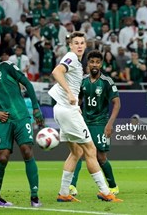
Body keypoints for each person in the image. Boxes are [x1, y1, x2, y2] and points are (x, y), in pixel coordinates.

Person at [48, 31, 122, 202]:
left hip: (62, 109)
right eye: (76, 43)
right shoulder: (72, 57)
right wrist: (70, 94)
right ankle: (105, 191)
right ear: (70, 45)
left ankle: (64, 193)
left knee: (76, 152)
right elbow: (56, 72)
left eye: (82, 43)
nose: (80, 45)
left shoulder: (77, 62)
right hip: (67, 109)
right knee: (91, 150)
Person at [0, 42, 44, 207]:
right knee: (2, 157)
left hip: (21, 117)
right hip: (4, 121)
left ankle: (34, 197)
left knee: (27, 152)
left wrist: (36, 108)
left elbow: (27, 84)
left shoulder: (7, 67)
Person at [68, 50, 121, 196]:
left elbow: (117, 103)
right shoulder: (83, 81)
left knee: (101, 157)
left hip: (100, 123)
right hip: (84, 122)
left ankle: (113, 186)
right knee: (77, 152)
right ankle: (72, 186)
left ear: (101, 64)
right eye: (92, 62)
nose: (94, 65)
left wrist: (109, 124)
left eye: (97, 62)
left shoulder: (107, 82)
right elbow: (78, 100)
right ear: (88, 64)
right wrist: (75, 111)